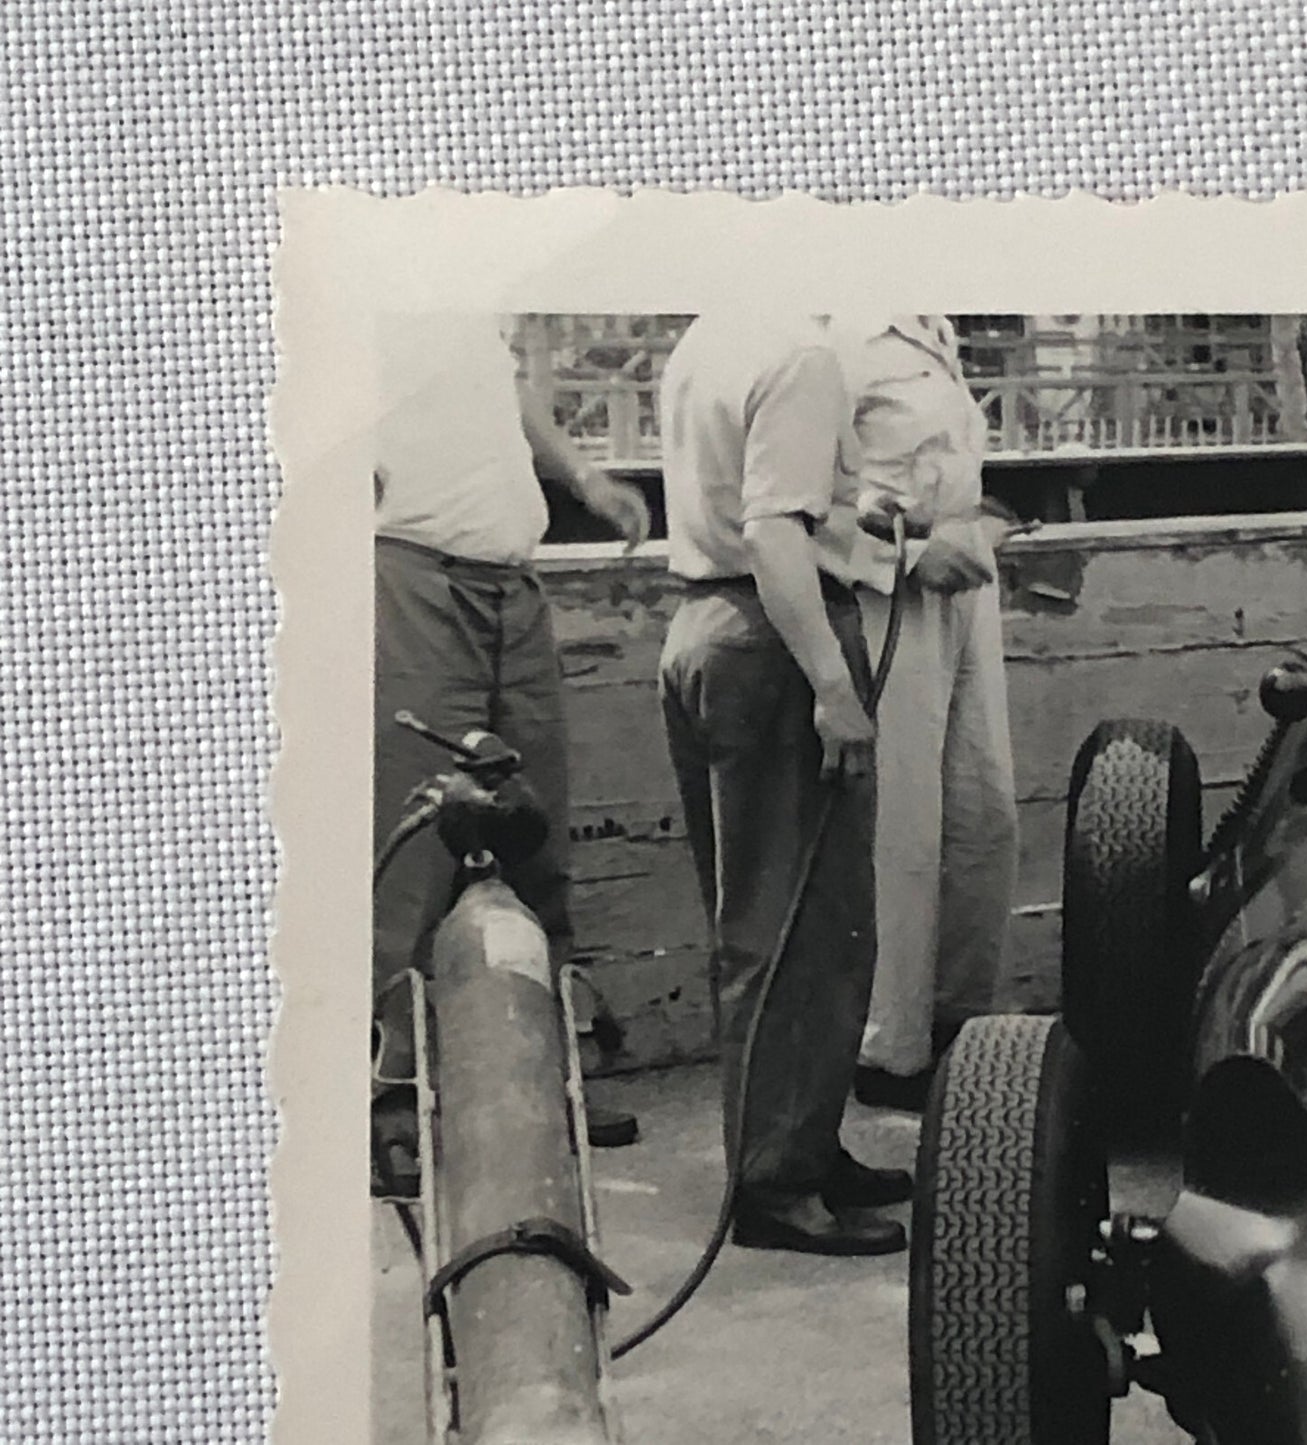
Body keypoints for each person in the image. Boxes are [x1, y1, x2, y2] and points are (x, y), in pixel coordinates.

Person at [657, 313, 912, 1256]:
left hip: (702, 626)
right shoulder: (798, 354)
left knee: (758, 918)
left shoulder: (703, 339)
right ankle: (775, 1182)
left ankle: (799, 1140)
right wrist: (835, 687)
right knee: (809, 921)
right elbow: (771, 533)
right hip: (775, 639)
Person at [371, 310, 650, 1148]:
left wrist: (583, 479)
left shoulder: (472, 282)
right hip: (414, 574)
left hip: (510, 585)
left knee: (533, 831)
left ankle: (550, 1076)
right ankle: (394, 1102)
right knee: (416, 845)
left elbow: (505, 388)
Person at [830, 314, 1022, 1113]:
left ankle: (959, 1025)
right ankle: (888, 1047)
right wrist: (901, 554)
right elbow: (792, 506)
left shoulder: (924, 323)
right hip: (886, 587)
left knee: (983, 812)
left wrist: (979, 522)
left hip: (962, 577)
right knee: (900, 823)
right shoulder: (827, 333)